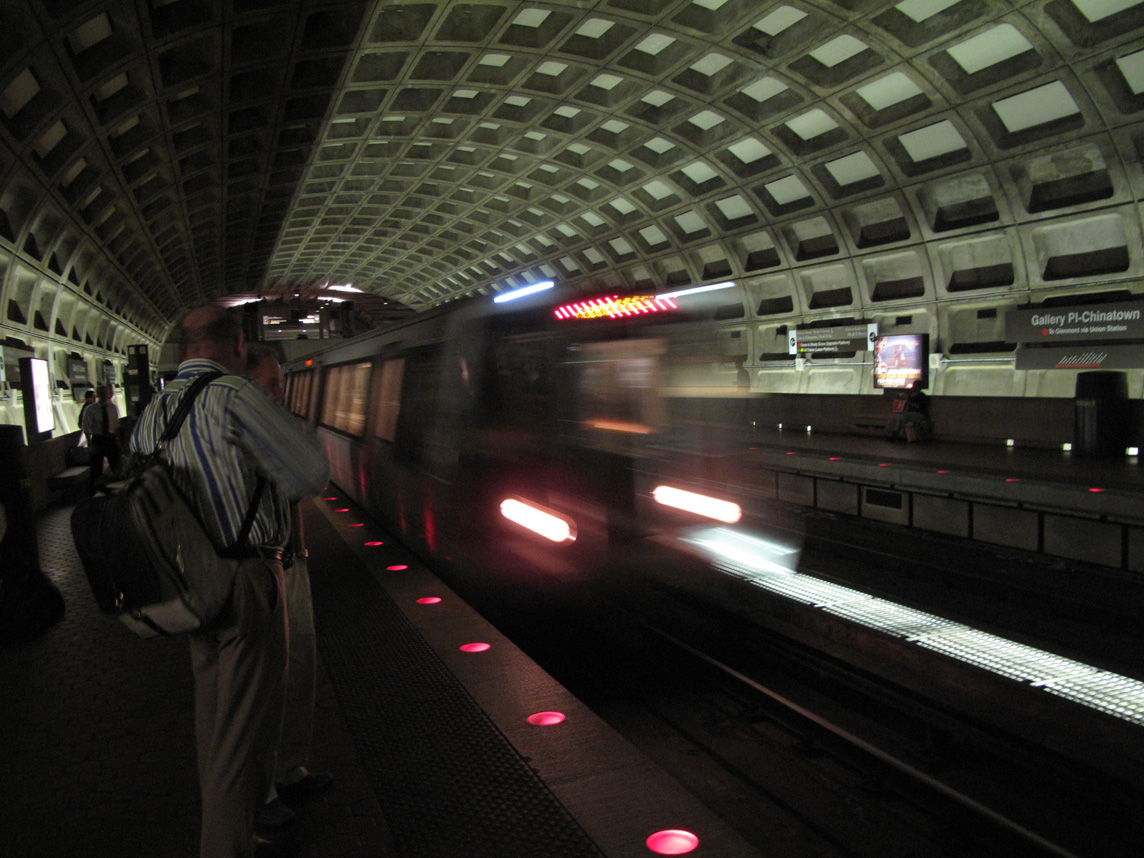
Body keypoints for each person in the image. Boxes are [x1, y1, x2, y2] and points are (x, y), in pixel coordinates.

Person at [130, 307, 329, 858]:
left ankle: (237, 831)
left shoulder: (155, 409)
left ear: (184, 346)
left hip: (186, 580)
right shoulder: (234, 396)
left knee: (215, 720)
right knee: (244, 728)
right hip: (243, 576)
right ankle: (226, 847)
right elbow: (310, 473)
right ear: (238, 344)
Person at [244, 344, 333, 829]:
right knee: (264, 682)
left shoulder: (273, 426)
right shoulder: (239, 428)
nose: (281, 392)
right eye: (273, 382)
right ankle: (263, 794)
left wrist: (300, 551)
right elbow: (311, 476)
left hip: (287, 560)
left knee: (299, 666)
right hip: (255, 568)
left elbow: (297, 491)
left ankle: (290, 769)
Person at [81, 385, 121, 492]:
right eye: (101, 393)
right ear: (97, 395)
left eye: (105, 392)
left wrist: (118, 440)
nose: (104, 395)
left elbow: (116, 425)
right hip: (98, 439)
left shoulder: (113, 408)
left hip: (110, 439)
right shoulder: (91, 409)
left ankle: (117, 488)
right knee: (96, 467)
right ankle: (93, 490)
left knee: (116, 465)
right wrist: (90, 444)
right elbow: (87, 428)